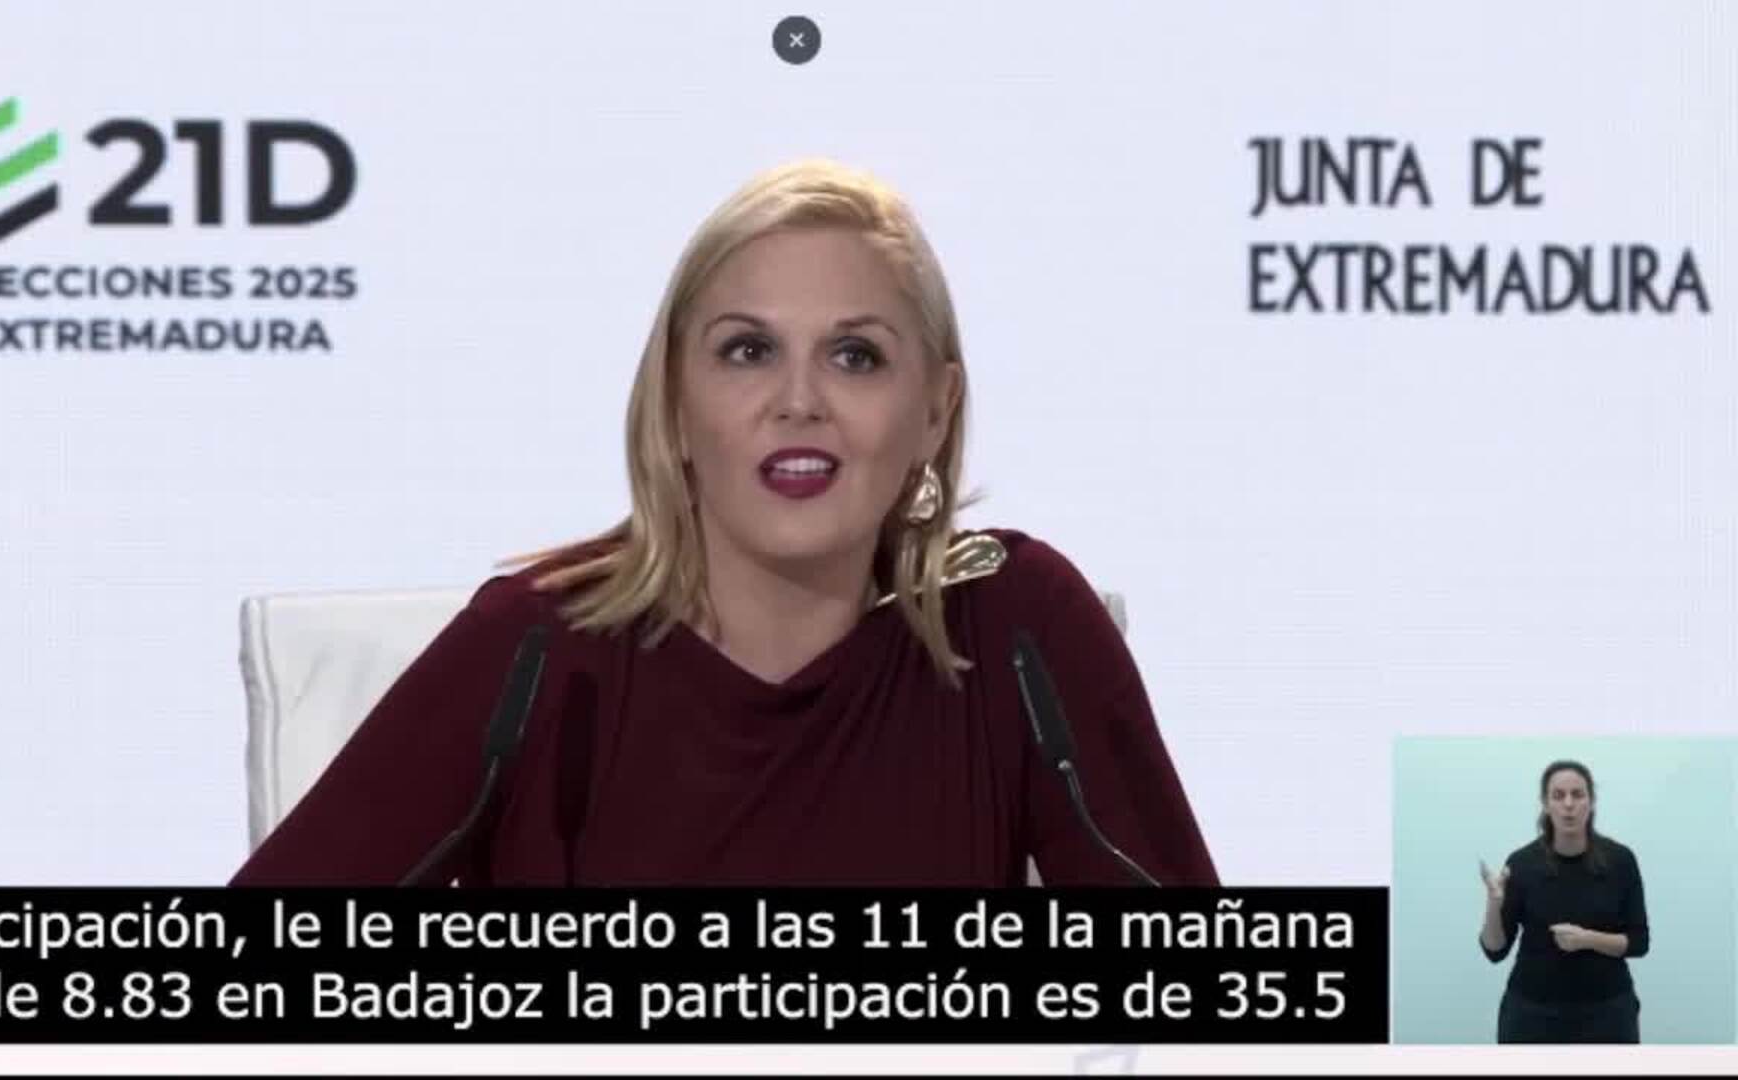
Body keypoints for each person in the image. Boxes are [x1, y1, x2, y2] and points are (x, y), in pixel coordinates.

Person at [230, 159, 1216, 887]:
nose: (799, 401)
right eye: (748, 351)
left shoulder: (1017, 624)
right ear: (672, 400)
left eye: (856, 357)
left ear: (934, 410)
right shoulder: (531, 647)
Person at [1478, 759, 1648, 1043]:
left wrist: (1587, 939)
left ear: (1591, 802)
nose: (1568, 804)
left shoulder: (1620, 861)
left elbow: (1639, 942)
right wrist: (1494, 904)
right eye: (1558, 796)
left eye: (1577, 795)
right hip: (1531, 1015)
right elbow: (1494, 950)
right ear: (1546, 805)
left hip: (1607, 1014)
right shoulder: (1522, 863)